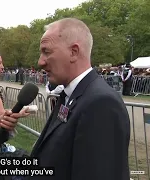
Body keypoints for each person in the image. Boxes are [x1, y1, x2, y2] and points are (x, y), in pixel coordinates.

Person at [31, 18, 130, 180]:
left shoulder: (101, 104)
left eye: (46, 52)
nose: (40, 61)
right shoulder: (70, 94)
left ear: (74, 52)